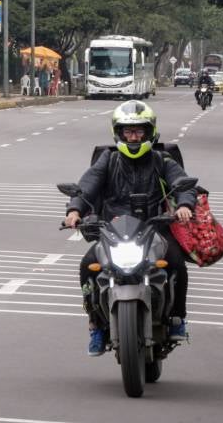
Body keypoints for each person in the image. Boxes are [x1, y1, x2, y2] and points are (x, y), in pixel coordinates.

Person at [63, 100, 197, 357]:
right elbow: (88, 184)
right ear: (119, 133)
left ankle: (178, 317)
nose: (133, 136)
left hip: (154, 228)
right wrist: (75, 210)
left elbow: (182, 182)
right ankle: (96, 325)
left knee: (176, 262)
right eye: (128, 131)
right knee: (86, 266)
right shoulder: (109, 160)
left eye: (139, 131)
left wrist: (184, 205)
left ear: (149, 132)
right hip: (114, 230)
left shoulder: (161, 159)